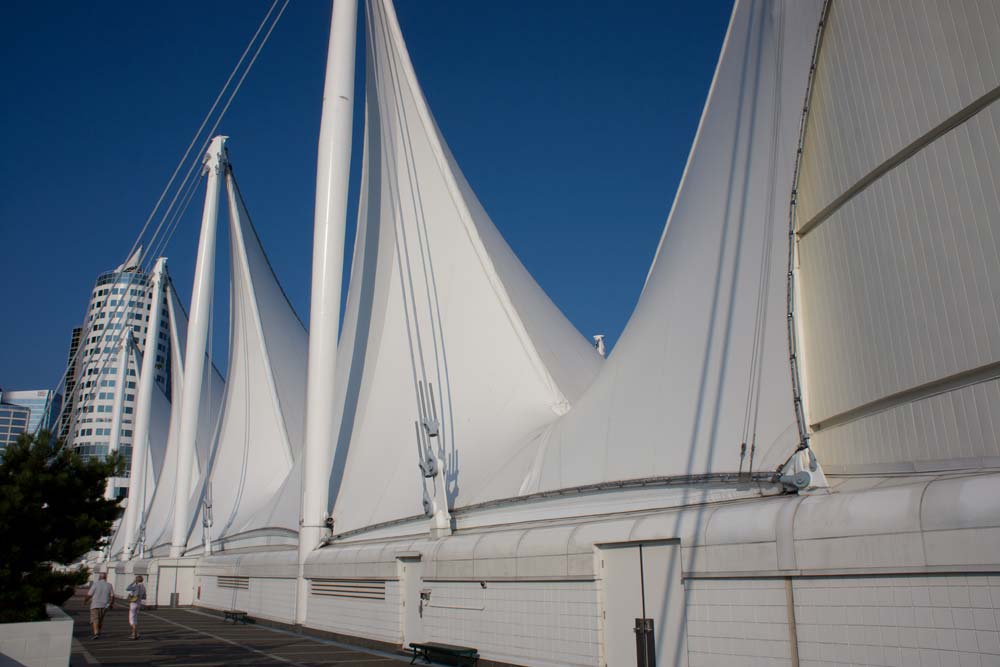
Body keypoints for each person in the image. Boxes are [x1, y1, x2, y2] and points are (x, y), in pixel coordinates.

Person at [84, 572, 114, 639]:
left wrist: (85, 601)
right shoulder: (109, 585)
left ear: (99, 577)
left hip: (95, 604)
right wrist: (111, 604)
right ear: (106, 577)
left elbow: (89, 595)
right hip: (104, 605)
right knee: (100, 619)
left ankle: (96, 633)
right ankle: (98, 632)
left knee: (95, 619)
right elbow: (112, 596)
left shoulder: (95, 584)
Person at [125, 575, 147, 640]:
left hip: (133, 603)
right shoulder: (143, 586)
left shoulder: (136, 586)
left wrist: (133, 582)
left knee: (131, 620)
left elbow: (127, 588)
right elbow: (144, 596)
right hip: (139, 603)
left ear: (137, 580)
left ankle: (134, 634)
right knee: (135, 619)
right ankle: (135, 633)